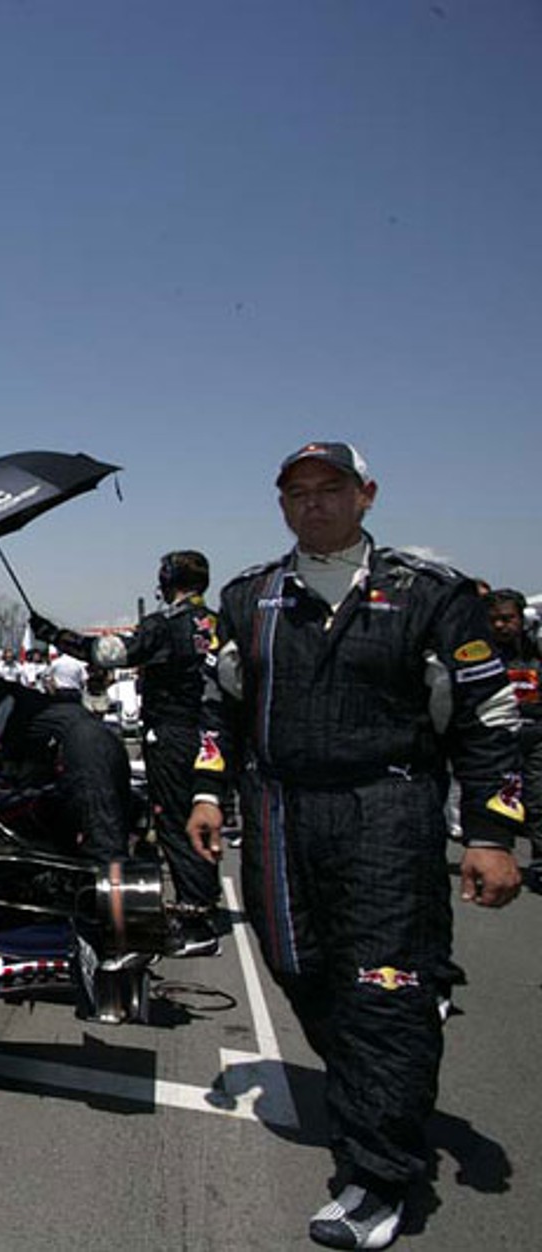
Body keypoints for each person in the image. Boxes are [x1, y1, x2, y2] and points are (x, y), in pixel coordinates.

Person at [186, 442, 524, 1250]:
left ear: (365, 495)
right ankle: (395, 1047)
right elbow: (215, 709)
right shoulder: (249, 598)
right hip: (275, 812)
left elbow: (491, 722)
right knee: (296, 964)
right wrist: (206, 790)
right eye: (296, 493)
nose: (313, 505)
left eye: (329, 489)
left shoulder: (432, 596)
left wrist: (492, 833)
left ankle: (377, 1175)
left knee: (379, 993)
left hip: (388, 809)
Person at [31, 550, 223, 957]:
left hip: (173, 733)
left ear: (167, 580)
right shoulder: (219, 623)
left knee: (173, 820)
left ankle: (196, 919)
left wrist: (54, 635)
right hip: (213, 735)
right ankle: (202, 902)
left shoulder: (165, 624)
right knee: (202, 815)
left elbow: (108, 653)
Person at [0, 668, 135, 862]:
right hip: (102, 741)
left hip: (83, 749)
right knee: (101, 831)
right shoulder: (24, 703)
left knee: (102, 840)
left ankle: (108, 881)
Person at [487, 589, 542, 891]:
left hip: (535, 736)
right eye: (494, 620)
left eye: (507, 619)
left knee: (538, 799)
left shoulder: (537, 651)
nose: (500, 626)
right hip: (496, 739)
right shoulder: (480, 654)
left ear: (521, 619)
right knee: (495, 801)